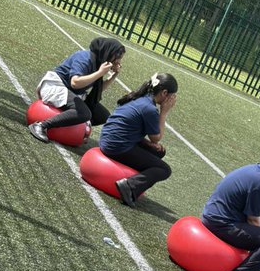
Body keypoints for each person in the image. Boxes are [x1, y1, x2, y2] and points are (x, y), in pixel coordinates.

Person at [99, 73, 178, 207]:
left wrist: (146, 143)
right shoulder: (150, 109)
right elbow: (156, 138)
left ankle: (131, 180)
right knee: (164, 170)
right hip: (116, 146)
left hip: (109, 138)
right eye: (172, 96)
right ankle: (129, 186)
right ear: (164, 93)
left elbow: (130, 127)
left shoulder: (139, 96)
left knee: (158, 153)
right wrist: (164, 112)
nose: (173, 100)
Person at [28, 35, 125, 141]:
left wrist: (113, 76)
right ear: (108, 52)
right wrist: (100, 73)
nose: (118, 61)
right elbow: (75, 82)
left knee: (103, 115)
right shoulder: (85, 57)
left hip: (73, 92)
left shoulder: (99, 63)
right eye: (118, 56)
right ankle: (41, 125)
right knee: (84, 113)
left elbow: (98, 89)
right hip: (55, 86)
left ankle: (76, 125)